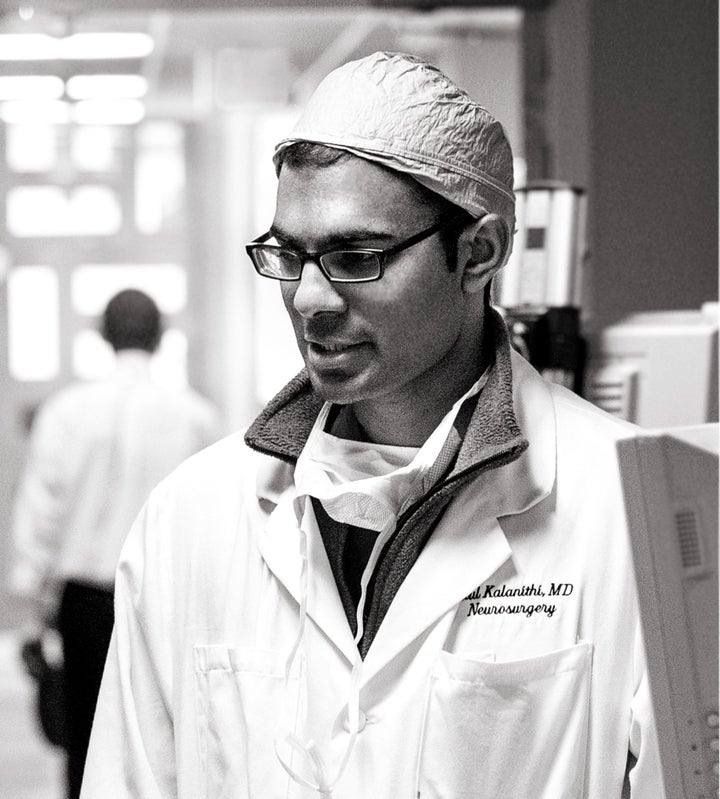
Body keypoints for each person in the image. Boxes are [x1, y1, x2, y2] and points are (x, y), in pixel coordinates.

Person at [81, 53, 662, 798]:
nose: (309, 298)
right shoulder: (189, 517)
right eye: (289, 255)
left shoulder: (628, 509)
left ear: (478, 252)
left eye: (356, 255)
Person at [11, 288, 219, 799]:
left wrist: (33, 616)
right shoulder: (195, 417)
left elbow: (41, 517)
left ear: (101, 335)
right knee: (167, 739)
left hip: (83, 603)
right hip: (167, 601)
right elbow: (210, 523)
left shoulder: (65, 412)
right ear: (161, 337)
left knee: (85, 740)